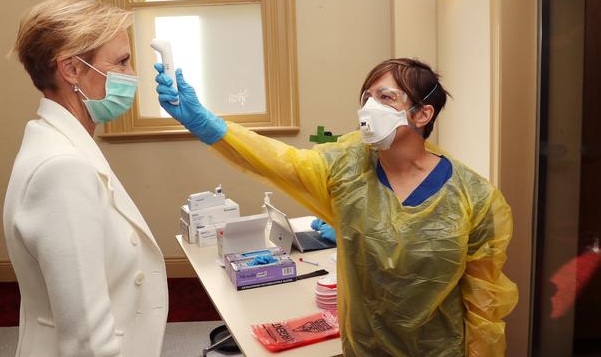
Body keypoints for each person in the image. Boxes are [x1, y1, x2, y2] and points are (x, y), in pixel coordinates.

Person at [154, 58, 518, 356]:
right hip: (364, 346)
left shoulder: (473, 197)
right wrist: (206, 123)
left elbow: (484, 300)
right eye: (366, 97)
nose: (369, 108)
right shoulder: (343, 168)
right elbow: (273, 159)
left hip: (440, 349)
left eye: (386, 98)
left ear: (422, 115)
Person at [3, 0, 167, 357]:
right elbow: (86, 340)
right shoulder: (62, 169)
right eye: (121, 62)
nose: (131, 74)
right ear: (71, 70)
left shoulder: (58, 142)